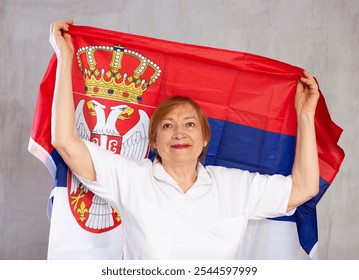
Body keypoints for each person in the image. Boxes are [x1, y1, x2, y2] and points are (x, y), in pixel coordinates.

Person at [49, 20, 320, 259]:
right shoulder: (131, 178)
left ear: (204, 139)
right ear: (153, 141)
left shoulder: (234, 186)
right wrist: (65, 57)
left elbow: (304, 188)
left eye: (190, 124)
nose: (179, 132)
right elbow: (65, 142)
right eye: (167, 125)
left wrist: (305, 116)